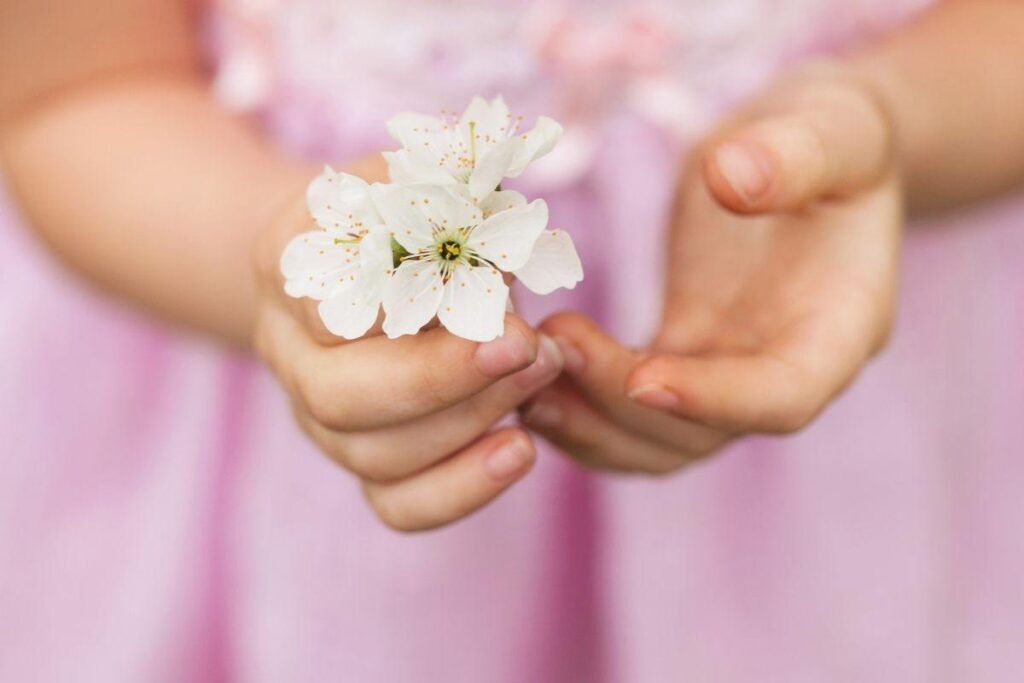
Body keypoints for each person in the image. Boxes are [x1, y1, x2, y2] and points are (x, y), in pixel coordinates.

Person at [1, 0, 1023, 680]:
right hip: (267, 427)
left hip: (869, 402)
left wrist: (888, 119)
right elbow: (73, 92)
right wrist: (292, 283)